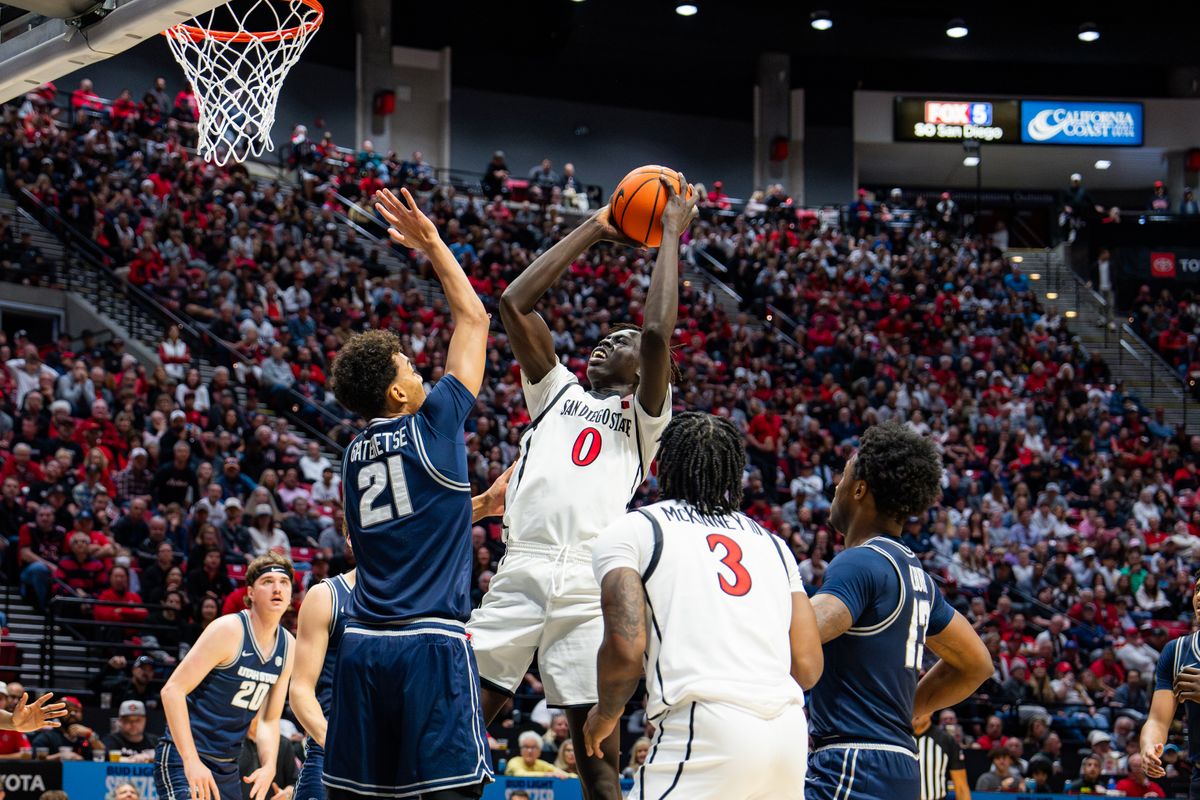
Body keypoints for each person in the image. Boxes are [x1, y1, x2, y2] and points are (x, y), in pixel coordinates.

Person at [469, 176, 695, 800]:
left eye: (620, 342)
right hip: (522, 568)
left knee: (598, 765)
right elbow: (514, 303)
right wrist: (596, 227)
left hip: (587, 586)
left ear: (644, 370)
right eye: (604, 337)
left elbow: (657, 333)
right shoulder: (556, 391)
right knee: (453, 731)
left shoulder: (643, 419)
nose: (606, 342)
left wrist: (669, 234)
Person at [322, 187, 492, 800]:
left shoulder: (351, 457)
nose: (422, 374)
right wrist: (433, 243)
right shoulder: (434, 423)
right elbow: (475, 319)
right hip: (428, 644)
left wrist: (477, 507)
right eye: (412, 370)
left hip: (364, 649)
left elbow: (390, 528)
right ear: (397, 393)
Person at [583, 412, 821, 798]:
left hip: (705, 725)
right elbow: (808, 666)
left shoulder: (635, 529)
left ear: (663, 465)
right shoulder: (774, 544)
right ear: (733, 473)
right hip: (789, 736)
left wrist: (606, 713)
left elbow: (626, 648)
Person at [807, 422, 993, 800]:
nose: (836, 486)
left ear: (859, 489)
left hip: (851, 763)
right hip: (902, 765)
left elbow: (798, 634)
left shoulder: (859, 562)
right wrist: (906, 710)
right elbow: (977, 664)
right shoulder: (918, 576)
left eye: (843, 476)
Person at [155, 553, 296, 800]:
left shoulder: (288, 646)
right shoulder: (229, 629)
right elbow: (172, 690)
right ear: (251, 593)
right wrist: (191, 761)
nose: (277, 588)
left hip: (228, 764)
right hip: (186, 755)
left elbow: (269, 719)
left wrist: (269, 765)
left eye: (284, 582)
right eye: (268, 581)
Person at [1141, 572, 1200, 798]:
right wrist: (1149, 746)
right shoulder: (1176, 651)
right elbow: (1157, 720)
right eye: (1197, 590)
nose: (1199, 596)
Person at [913, 712, 970, 800]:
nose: (916, 711)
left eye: (920, 706)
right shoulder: (896, 737)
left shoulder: (946, 739)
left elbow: (961, 786)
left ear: (931, 711)